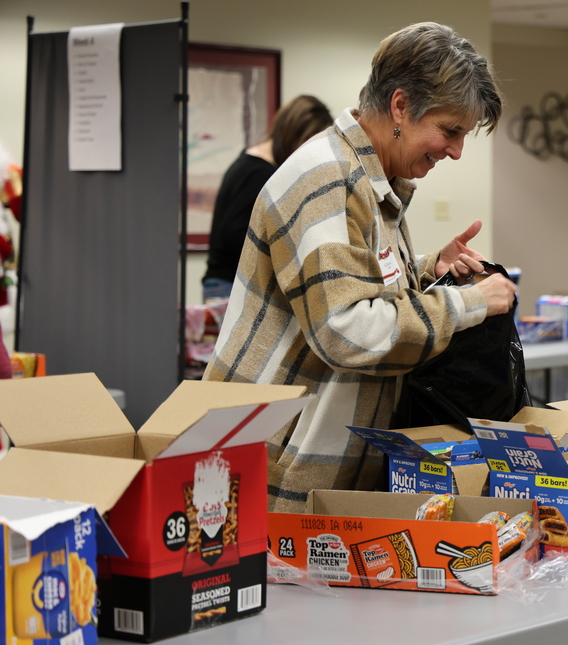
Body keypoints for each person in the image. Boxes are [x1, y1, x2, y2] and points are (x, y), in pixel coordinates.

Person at [204, 22, 516, 512]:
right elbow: (346, 329)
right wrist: (468, 303)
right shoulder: (325, 181)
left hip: (317, 469)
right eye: (450, 131)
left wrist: (428, 268)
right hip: (273, 475)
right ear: (400, 107)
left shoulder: (369, 182)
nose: (455, 151)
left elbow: (352, 286)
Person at [201, 95, 335, 302]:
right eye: (307, 143)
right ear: (295, 134)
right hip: (228, 287)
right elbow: (234, 235)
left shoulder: (252, 163)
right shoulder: (259, 173)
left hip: (225, 284)